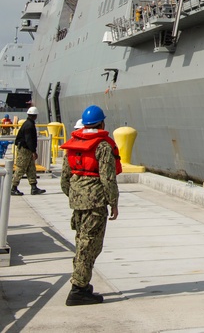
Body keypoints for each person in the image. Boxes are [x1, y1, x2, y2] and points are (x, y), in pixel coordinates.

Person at [60, 104, 121, 306]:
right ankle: (78, 289)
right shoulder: (103, 146)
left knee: (81, 241)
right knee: (90, 245)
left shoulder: (72, 143)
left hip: (77, 200)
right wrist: (113, 202)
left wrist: (74, 195)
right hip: (95, 201)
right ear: (102, 123)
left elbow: (64, 179)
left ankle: (82, 284)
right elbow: (108, 178)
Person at [10, 106, 45, 195]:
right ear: (35, 116)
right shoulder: (29, 125)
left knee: (31, 168)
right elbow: (29, 139)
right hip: (25, 150)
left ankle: (34, 187)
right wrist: (33, 151)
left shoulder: (28, 123)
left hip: (27, 149)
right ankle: (13, 187)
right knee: (21, 168)